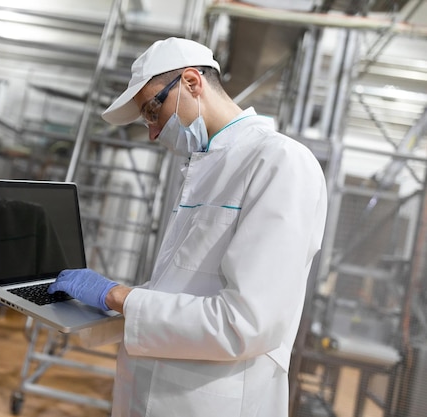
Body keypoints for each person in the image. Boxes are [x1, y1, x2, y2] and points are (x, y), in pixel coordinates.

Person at [48, 37, 328, 417]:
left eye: (151, 111)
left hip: (215, 401)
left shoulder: (281, 162)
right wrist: (88, 310)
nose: (152, 132)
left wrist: (117, 296)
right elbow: (183, 291)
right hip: (157, 390)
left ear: (192, 83)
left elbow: (245, 323)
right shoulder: (208, 167)